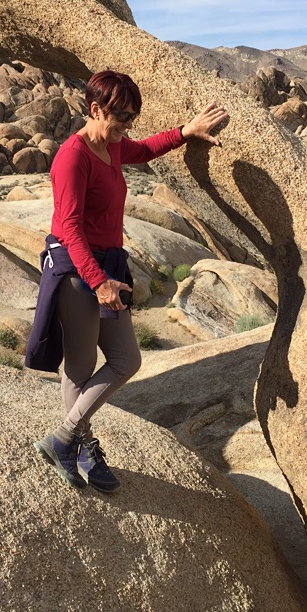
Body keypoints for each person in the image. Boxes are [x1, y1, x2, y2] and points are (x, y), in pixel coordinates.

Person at [25, 70, 228, 492]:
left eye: (133, 115)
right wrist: (99, 282)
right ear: (95, 108)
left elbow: (143, 150)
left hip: (107, 266)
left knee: (124, 359)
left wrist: (185, 132)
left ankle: (65, 440)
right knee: (80, 369)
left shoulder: (113, 146)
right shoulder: (72, 157)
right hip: (80, 274)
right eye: (122, 115)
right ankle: (78, 445)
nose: (128, 124)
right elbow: (69, 230)